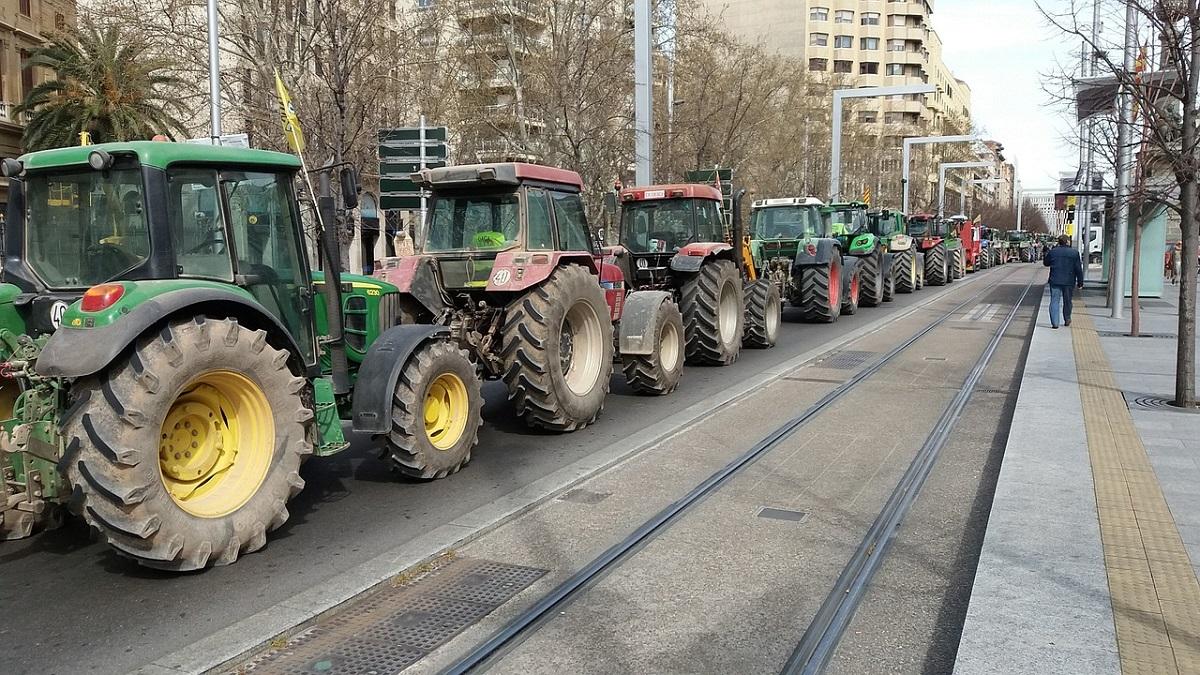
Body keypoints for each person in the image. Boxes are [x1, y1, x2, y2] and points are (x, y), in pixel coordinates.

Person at [1044, 234, 1085, 329]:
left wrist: (1047, 254)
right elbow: (1078, 269)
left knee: (1054, 301)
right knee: (1067, 301)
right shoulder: (1074, 253)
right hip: (1069, 281)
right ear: (1067, 242)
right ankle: (1067, 318)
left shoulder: (1053, 252)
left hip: (1055, 280)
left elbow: (1046, 263)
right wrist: (1080, 282)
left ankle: (1055, 323)